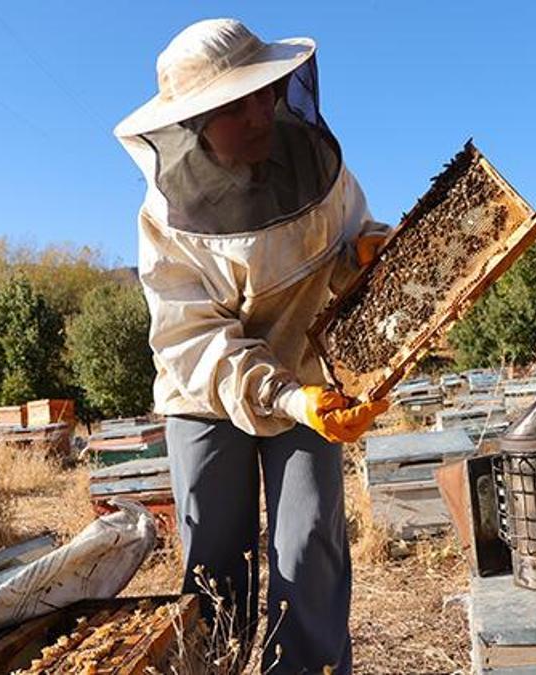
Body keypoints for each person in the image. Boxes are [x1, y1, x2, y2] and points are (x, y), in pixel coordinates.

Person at [114, 18, 391, 674]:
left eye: (264, 92)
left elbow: (348, 246)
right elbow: (198, 341)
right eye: (236, 104)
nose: (261, 111)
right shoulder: (164, 220)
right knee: (215, 558)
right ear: (196, 123)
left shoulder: (321, 167)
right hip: (208, 392)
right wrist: (287, 397)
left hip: (310, 379)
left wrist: (369, 251)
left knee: (308, 546)